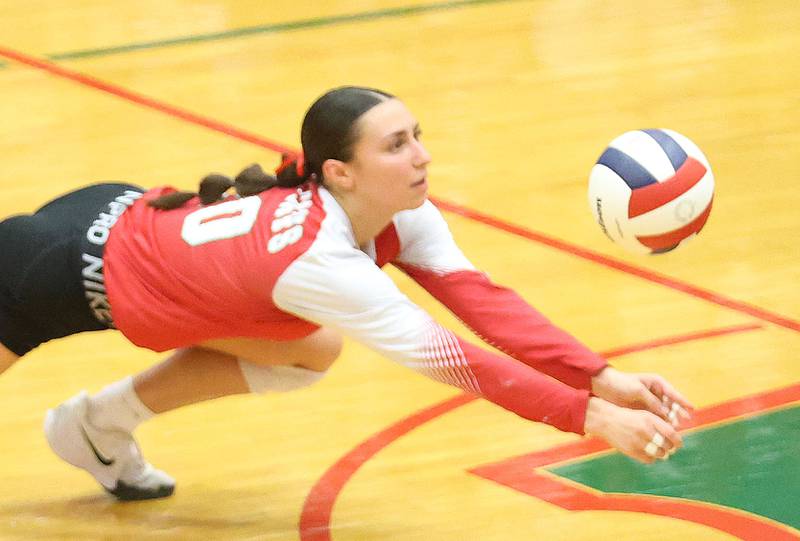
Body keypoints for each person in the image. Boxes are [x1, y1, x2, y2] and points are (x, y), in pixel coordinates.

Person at [0, 86, 692, 502]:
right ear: (341, 170)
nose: (420, 155)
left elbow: (482, 299)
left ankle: (97, 426)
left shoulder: (399, 210)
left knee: (311, 346)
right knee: (313, 338)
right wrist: (588, 416)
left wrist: (601, 375)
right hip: (51, 276)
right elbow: (458, 360)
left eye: (418, 136)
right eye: (396, 145)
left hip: (117, 213)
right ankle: (92, 426)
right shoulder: (319, 261)